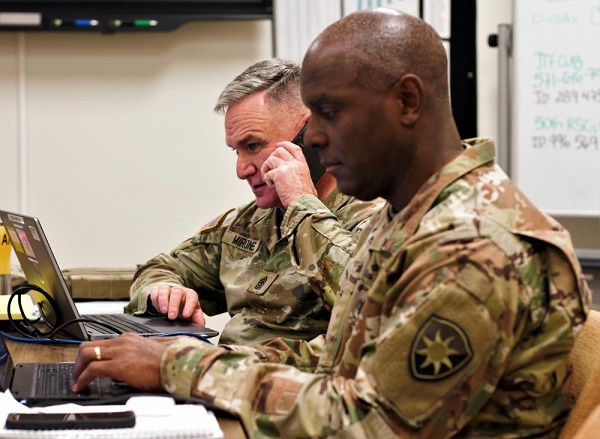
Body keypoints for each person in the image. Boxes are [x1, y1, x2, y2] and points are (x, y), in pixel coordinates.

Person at [73, 9, 591, 438]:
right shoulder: (410, 214)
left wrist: (177, 367)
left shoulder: (470, 246)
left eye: (329, 112)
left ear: (407, 101)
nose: (313, 139)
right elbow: (336, 368)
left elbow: (366, 424)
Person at [124, 58, 384, 346]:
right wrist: (163, 290)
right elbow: (159, 268)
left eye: (253, 146)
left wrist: (302, 203)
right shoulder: (249, 223)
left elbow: (370, 305)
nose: (241, 170)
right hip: (215, 378)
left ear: (312, 136)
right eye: (237, 151)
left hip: (294, 384)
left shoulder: (377, 216)